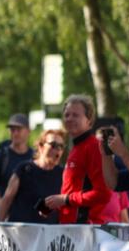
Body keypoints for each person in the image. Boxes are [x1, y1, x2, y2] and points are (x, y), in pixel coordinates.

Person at [43, 94, 111, 224]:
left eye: (75, 115)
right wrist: (52, 205)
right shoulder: (76, 148)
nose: (69, 119)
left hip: (85, 229)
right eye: (67, 115)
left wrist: (65, 199)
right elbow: (71, 193)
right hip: (70, 228)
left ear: (89, 120)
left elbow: (103, 194)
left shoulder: (94, 147)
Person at [0, 128, 66, 224]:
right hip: (21, 230)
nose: (58, 149)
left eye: (61, 146)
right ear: (41, 147)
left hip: (48, 231)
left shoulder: (63, 174)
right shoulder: (24, 169)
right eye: (53, 145)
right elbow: (7, 199)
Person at [0, 113, 34, 218]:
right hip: (2, 217)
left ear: (28, 131)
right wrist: (4, 207)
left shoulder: (35, 157)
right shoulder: (1, 155)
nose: (15, 133)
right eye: (12, 129)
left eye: (19, 129)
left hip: (27, 216)